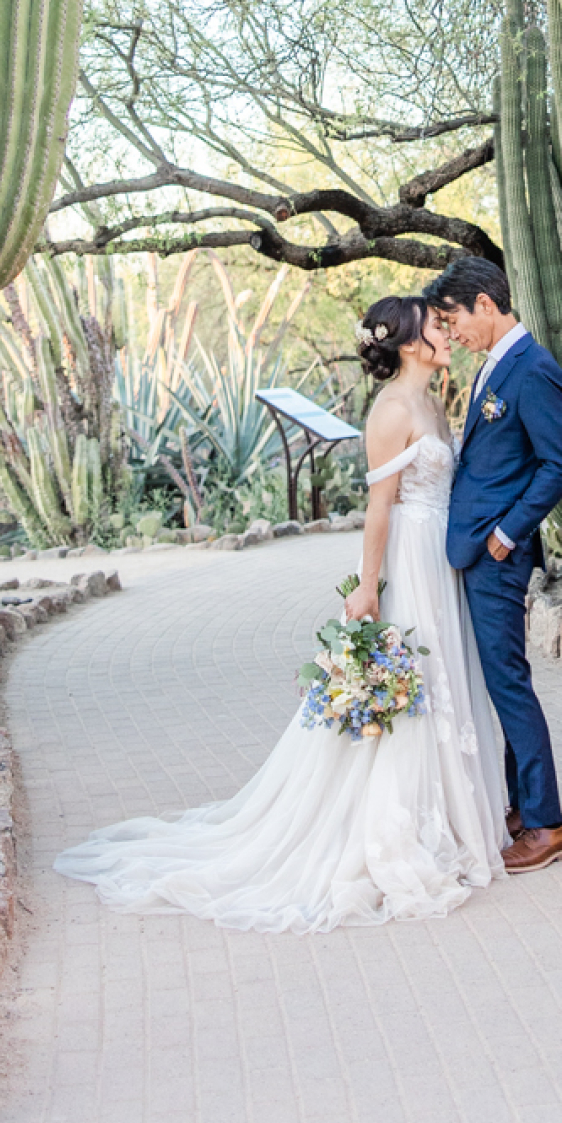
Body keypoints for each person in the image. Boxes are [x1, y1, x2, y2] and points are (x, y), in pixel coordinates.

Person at [52, 294, 503, 933]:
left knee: (441, 680)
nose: (448, 332)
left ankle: (449, 817)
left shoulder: (431, 403)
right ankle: (396, 826)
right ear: (409, 342)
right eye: (437, 325)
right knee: (412, 686)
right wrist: (368, 587)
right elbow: (380, 507)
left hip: (439, 560)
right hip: (408, 561)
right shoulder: (392, 410)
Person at [422, 256, 562, 873]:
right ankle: (521, 805)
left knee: (509, 683)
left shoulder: (533, 369)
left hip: (497, 555)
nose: (452, 332)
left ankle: (547, 824)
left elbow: (558, 464)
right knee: (501, 681)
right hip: (480, 548)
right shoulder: (496, 363)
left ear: (485, 304)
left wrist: (507, 534)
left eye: (453, 319)